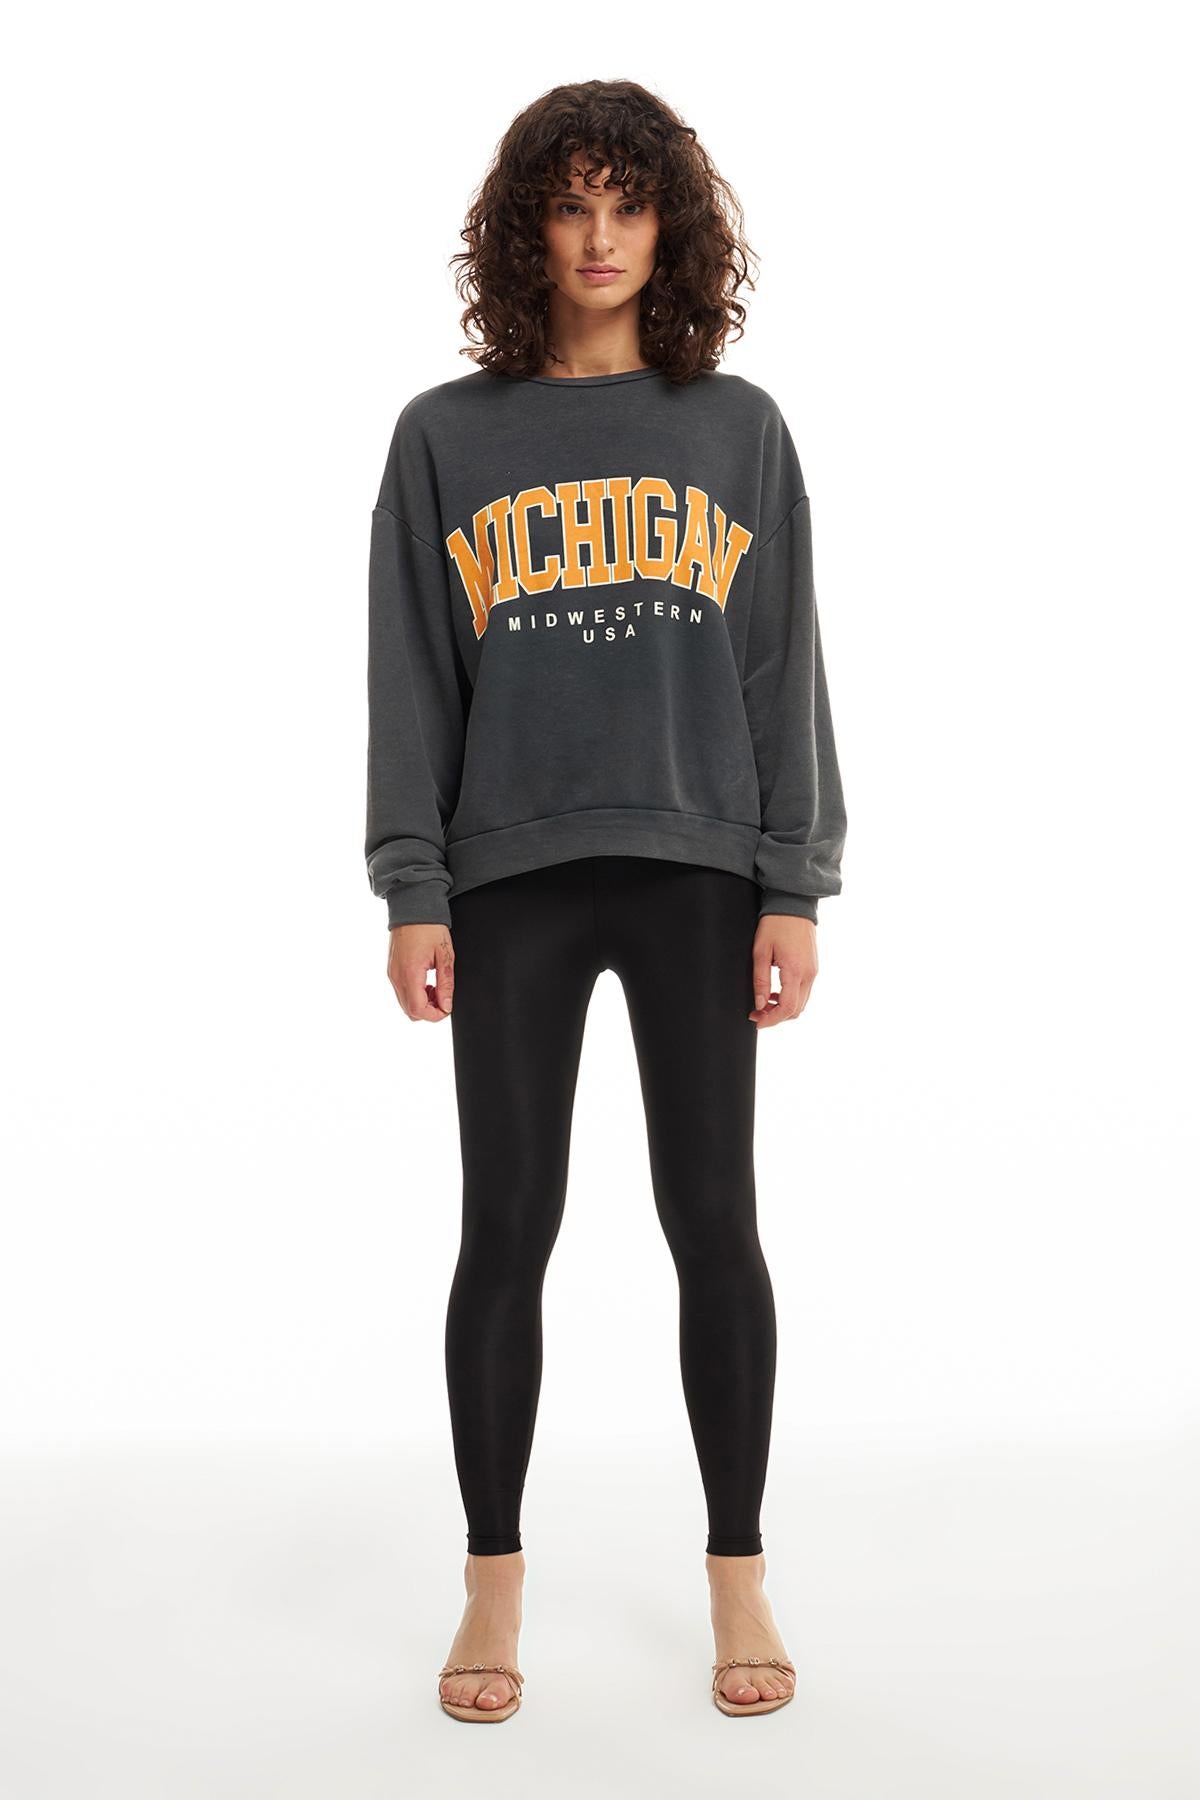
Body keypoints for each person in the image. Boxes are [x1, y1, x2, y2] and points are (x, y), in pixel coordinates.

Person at [364, 79, 847, 1722]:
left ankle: (740, 1572)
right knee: (507, 1226)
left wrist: (795, 882)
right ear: (526, 227)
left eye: (626, 205)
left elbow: (781, 668)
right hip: (506, 876)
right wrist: (411, 886)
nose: (598, 237)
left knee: (715, 1221)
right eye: (569, 205)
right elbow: (411, 677)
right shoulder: (445, 436)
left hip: (700, 869)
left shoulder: (737, 428)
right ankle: (492, 1585)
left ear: (669, 228)